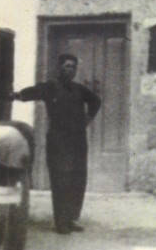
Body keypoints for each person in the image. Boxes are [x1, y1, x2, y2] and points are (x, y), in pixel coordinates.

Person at [14, 54, 101, 235]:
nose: (70, 70)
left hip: (78, 140)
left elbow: (96, 101)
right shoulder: (50, 87)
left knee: (77, 179)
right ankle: (60, 222)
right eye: (67, 66)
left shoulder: (79, 89)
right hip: (58, 140)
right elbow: (30, 92)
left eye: (73, 67)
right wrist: (16, 95)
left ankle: (70, 219)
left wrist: (88, 118)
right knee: (61, 180)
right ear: (60, 68)